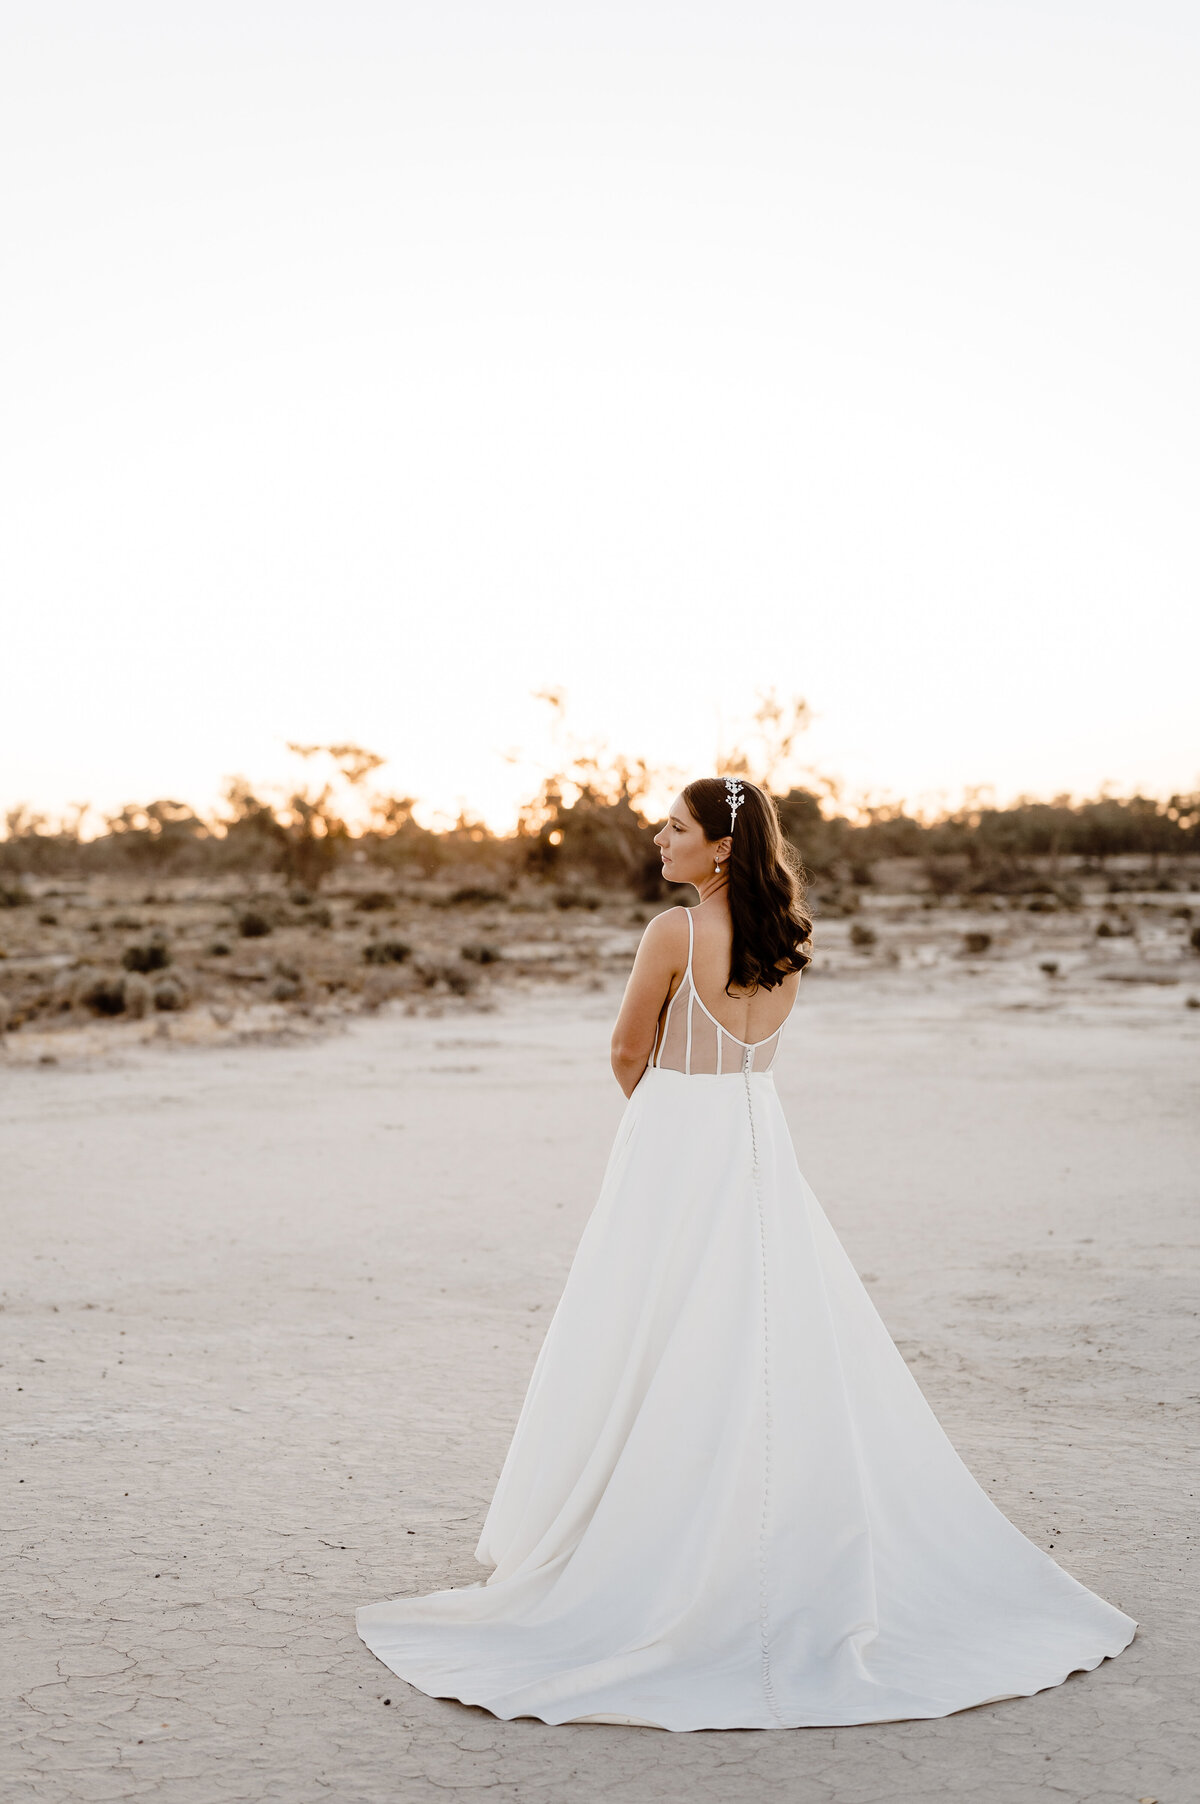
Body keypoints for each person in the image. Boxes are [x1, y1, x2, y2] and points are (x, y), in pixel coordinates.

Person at [355, 776, 1136, 1730]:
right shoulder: (787, 937)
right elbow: (752, 1056)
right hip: (759, 1139)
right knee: (760, 1341)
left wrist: (662, 1133)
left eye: (676, 827)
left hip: (682, 1141)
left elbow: (623, 1049)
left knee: (652, 1336)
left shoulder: (672, 934)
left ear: (719, 848)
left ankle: (659, 1557)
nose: (659, 837)